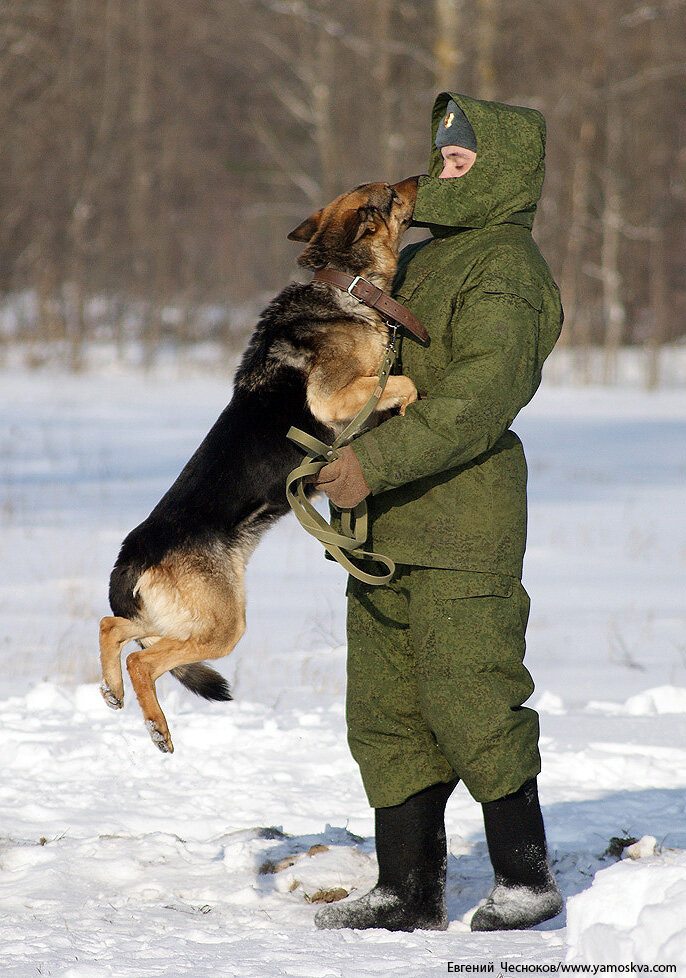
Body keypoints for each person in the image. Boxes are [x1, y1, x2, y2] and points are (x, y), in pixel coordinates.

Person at [312, 92, 564, 933]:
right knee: (384, 712)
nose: (444, 168)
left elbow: (475, 402)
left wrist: (368, 464)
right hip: (381, 528)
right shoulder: (414, 261)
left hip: (464, 524)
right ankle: (405, 890)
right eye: (443, 156)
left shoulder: (507, 269)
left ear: (507, 172)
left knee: (473, 698)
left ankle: (525, 881)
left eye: (464, 161)